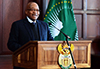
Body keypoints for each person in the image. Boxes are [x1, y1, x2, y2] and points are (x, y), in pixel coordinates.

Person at [7, 2, 54, 69]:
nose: (35, 12)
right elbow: (11, 44)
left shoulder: (44, 25)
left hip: (42, 63)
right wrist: (27, 50)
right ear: (26, 12)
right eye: (32, 10)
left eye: (37, 10)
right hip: (24, 63)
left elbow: (51, 41)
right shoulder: (17, 25)